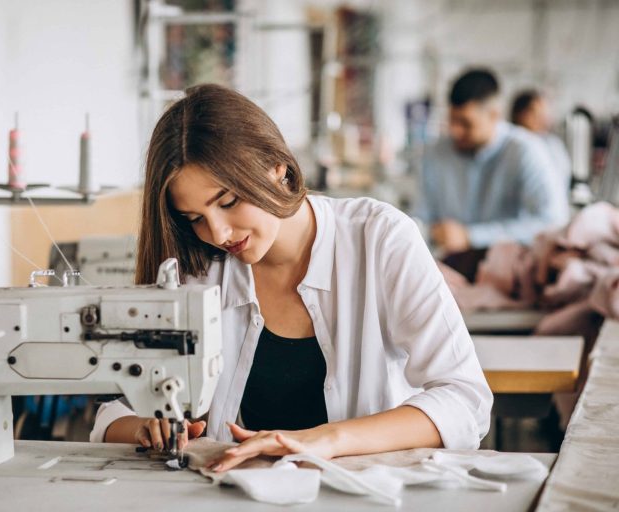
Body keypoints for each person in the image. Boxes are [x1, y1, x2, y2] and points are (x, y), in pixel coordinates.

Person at [90, 84, 491, 472]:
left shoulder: (379, 238)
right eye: (195, 219)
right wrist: (146, 427)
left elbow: (465, 402)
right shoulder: (199, 264)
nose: (218, 233)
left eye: (228, 202)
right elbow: (116, 409)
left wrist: (328, 439)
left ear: (276, 166)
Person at [414, 69, 568, 255]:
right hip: (447, 264)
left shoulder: (526, 151)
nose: (456, 131)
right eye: (452, 120)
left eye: (466, 123)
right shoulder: (436, 152)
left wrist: (470, 236)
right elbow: (421, 218)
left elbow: (551, 222)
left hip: (508, 269)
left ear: (494, 115)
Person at [510, 89, 571, 193]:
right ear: (522, 114)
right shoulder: (510, 146)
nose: (544, 119)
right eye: (536, 114)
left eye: (544, 114)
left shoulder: (553, 145)